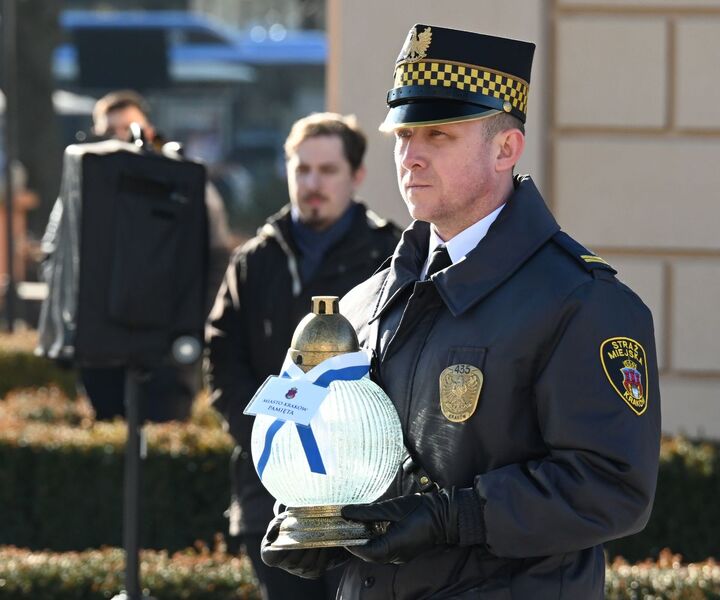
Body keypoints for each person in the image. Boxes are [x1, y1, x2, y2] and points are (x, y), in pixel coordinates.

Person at [260, 25, 662, 599]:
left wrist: (456, 517)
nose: (411, 156)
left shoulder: (581, 302)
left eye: (438, 135)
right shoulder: (364, 301)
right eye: (403, 135)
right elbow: (327, 437)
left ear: (506, 149)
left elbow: (612, 486)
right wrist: (305, 512)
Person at [205, 112, 402, 600]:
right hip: (269, 495)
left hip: (365, 502)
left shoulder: (393, 255)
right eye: (302, 169)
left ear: (355, 176)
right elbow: (222, 357)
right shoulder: (256, 259)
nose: (312, 183)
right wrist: (269, 438)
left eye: (327, 170)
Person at [40, 89, 232, 422]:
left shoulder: (186, 183)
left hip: (167, 347)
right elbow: (55, 253)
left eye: (128, 129)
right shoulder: (80, 189)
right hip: (100, 347)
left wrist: (194, 320)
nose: (120, 140)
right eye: (109, 132)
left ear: (150, 131)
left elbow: (217, 255)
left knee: (164, 441)